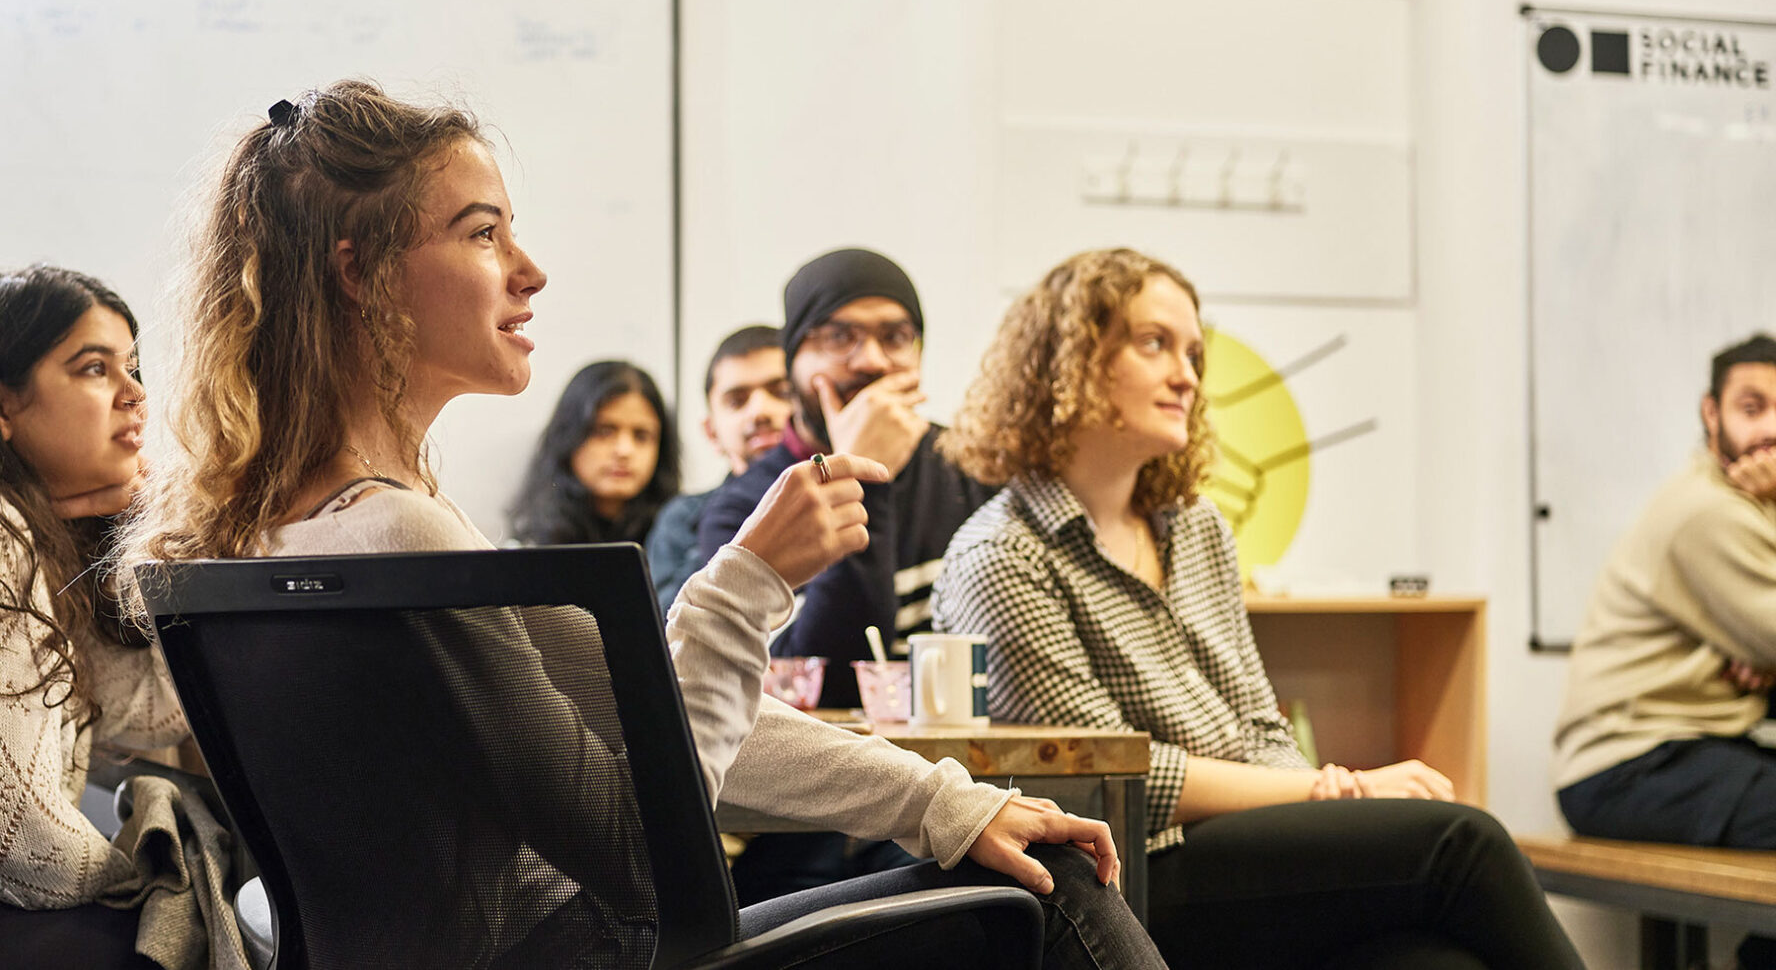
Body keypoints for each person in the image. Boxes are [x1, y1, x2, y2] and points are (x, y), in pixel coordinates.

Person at [121, 81, 1163, 970]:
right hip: (598, 953)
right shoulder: (400, 540)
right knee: (1061, 890)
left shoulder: (288, 528)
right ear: (358, 272)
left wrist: (945, 805)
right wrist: (749, 578)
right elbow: (643, 851)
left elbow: (654, 716)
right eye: (482, 233)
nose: (529, 270)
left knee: (1005, 852)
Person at [932, 247, 1584, 970]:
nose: (1186, 374)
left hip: (1245, 844)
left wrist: (1324, 796)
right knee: (1463, 843)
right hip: (1130, 873)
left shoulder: (1197, 526)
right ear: (1070, 360)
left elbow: (1259, 722)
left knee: (1431, 962)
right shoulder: (1002, 554)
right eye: (1155, 344)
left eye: (1194, 354)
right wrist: (1340, 789)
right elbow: (1115, 783)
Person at [1554, 332, 1776, 968]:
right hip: (1628, 766)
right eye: (1751, 407)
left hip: (1687, 749)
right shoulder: (1710, 512)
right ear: (1712, 414)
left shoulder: (1744, 507)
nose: (1770, 430)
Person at [697, 248, 996, 708]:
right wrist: (862, 473)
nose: (872, 361)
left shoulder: (972, 465)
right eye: (839, 337)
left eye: (895, 337)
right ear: (793, 362)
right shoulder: (746, 506)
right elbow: (827, 686)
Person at [0, 265, 187, 969]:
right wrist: (149, 882)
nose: (135, 392)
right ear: (6, 405)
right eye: (93, 367)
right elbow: (20, 842)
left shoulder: (39, 537)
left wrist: (149, 515)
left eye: (133, 367)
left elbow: (148, 709)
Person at [646, 325, 791, 612]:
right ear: (712, 432)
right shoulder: (680, 522)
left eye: (782, 392)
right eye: (737, 401)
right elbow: (669, 631)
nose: (760, 410)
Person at [508, 359, 679, 546]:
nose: (624, 451)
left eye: (641, 435)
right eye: (604, 432)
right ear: (568, 436)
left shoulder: (683, 542)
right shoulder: (528, 545)